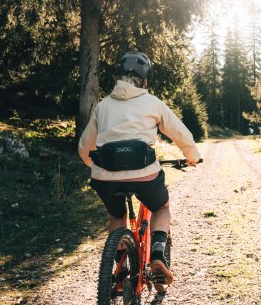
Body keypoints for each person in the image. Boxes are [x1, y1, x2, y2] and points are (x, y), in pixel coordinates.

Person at [78, 51, 201, 291]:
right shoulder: (153, 103)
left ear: (119, 78)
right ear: (145, 81)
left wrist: (92, 165)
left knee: (117, 216)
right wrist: (192, 157)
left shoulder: (103, 106)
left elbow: (85, 146)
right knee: (161, 207)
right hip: (144, 174)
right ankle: (157, 255)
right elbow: (180, 133)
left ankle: (121, 273)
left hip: (105, 176)